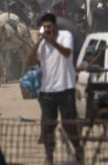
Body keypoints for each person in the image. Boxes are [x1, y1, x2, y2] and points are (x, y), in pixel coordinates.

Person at [25, 13, 82, 163]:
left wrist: (52, 41)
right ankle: (49, 157)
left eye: (49, 27)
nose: (47, 30)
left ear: (55, 26)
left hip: (66, 89)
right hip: (47, 92)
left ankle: (78, 152)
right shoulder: (42, 42)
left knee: (69, 125)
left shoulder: (65, 36)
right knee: (48, 127)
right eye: (44, 27)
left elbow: (67, 53)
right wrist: (38, 43)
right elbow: (30, 62)